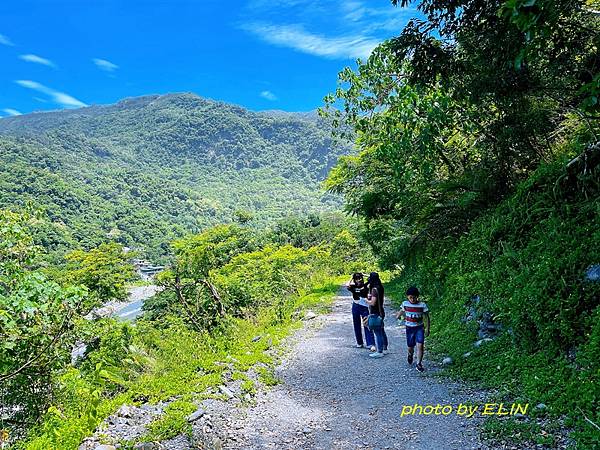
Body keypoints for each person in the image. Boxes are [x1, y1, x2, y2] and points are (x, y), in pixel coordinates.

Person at [396, 286, 430, 372]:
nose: (412, 299)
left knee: (420, 345)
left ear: (417, 296)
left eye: (414, 297)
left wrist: (427, 329)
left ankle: (419, 363)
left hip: (419, 328)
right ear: (407, 297)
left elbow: (426, 317)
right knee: (410, 346)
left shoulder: (422, 305)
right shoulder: (405, 304)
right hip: (409, 328)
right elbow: (402, 311)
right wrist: (398, 316)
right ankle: (410, 354)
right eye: (410, 297)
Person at [347, 273, 375, 350]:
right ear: (354, 280)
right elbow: (347, 285)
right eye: (357, 278)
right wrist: (351, 277)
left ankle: (371, 343)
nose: (359, 280)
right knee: (356, 324)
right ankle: (359, 342)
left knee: (367, 324)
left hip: (364, 306)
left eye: (360, 278)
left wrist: (363, 275)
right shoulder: (353, 286)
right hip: (355, 305)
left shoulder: (365, 285)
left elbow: (372, 278)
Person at [366, 272, 388, 358]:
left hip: (375, 313)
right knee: (382, 330)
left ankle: (379, 351)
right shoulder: (380, 287)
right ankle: (385, 348)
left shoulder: (374, 289)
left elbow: (373, 302)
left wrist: (366, 300)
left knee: (377, 332)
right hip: (381, 311)